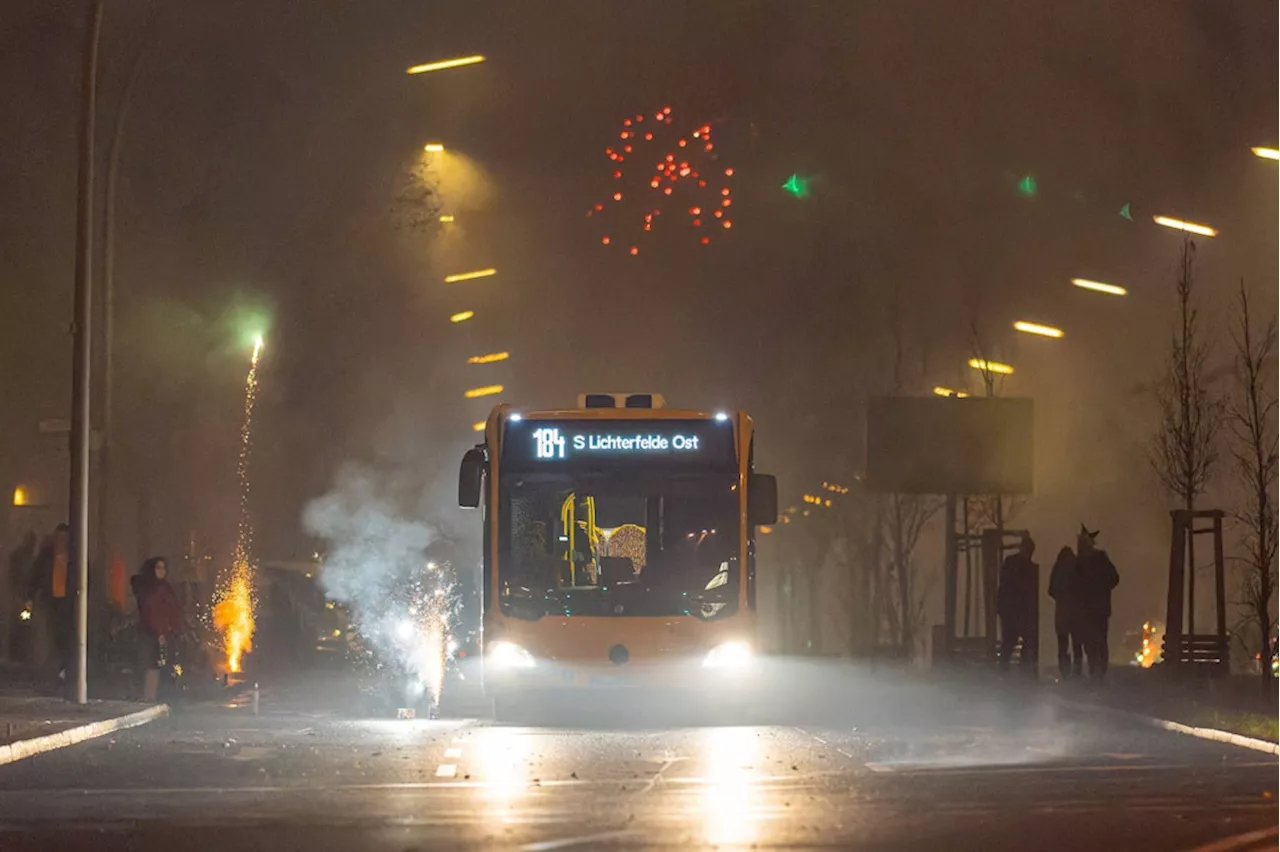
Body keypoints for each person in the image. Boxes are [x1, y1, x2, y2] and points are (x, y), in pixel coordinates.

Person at [27, 523, 74, 688]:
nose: (61, 541)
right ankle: (50, 675)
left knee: (65, 640)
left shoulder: (75, 557)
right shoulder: (46, 557)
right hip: (50, 603)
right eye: (58, 538)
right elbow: (34, 577)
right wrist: (30, 598)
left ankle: (63, 674)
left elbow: (84, 580)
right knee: (50, 638)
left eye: (64, 538)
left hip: (68, 605)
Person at [131, 557, 183, 703]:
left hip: (164, 632)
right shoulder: (150, 589)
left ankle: (151, 695)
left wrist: (174, 629)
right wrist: (159, 631)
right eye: (158, 568)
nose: (161, 571)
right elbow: (151, 611)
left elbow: (172, 610)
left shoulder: (165, 588)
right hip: (150, 632)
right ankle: (148, 695)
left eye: (163, 568)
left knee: (156, 664)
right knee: (150, 663)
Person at [1075, 526, 1119, 679]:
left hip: (1090, 608)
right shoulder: (1094, 560)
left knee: (1093, 640)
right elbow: (1114, 578)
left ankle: (1096, 669)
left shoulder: (1083, 562)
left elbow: (1113, 579)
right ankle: (1098, 669)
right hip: (1096, 608)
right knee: (1097, 639)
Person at [997, 534, 1039, 675]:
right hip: (1017, 611)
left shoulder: (1011, 563)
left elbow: (1004, 586)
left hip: (1013, 610)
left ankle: (1006, 669)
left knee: (1011, 640)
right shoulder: (1028, 568)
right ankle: (1018, 669)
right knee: (1016, 640)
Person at [1047, 545, 1083, 679]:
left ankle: (1064, 670)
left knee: (1062, 645)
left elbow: (1051, 590)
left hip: (1062, 612)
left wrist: (1061, 597)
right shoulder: (1077, 569)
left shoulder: (1058, 569)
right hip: (1076, 613)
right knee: (1077, 644)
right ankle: (1077, 671)